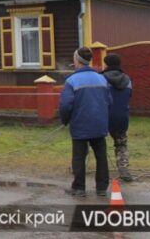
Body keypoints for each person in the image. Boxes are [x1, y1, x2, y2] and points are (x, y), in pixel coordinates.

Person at [59, 47, 112, 197]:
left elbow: (65, 105)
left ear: (77, 60)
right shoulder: (102, 79)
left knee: (79, 157)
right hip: (99, 123)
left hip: (80, 124)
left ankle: (79, 188)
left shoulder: (72, 80)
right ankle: (102, 188)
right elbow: (109, 101)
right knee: (101, 156)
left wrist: (65, 120)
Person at [102, 53, 133, 182]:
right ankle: (123, 170)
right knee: (121, 144)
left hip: (103, 117)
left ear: (106, 64)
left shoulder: (101, 79)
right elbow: (129, 96)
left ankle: (100, 169)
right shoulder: (128, 79)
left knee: (96, 143)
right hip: (121, 117)